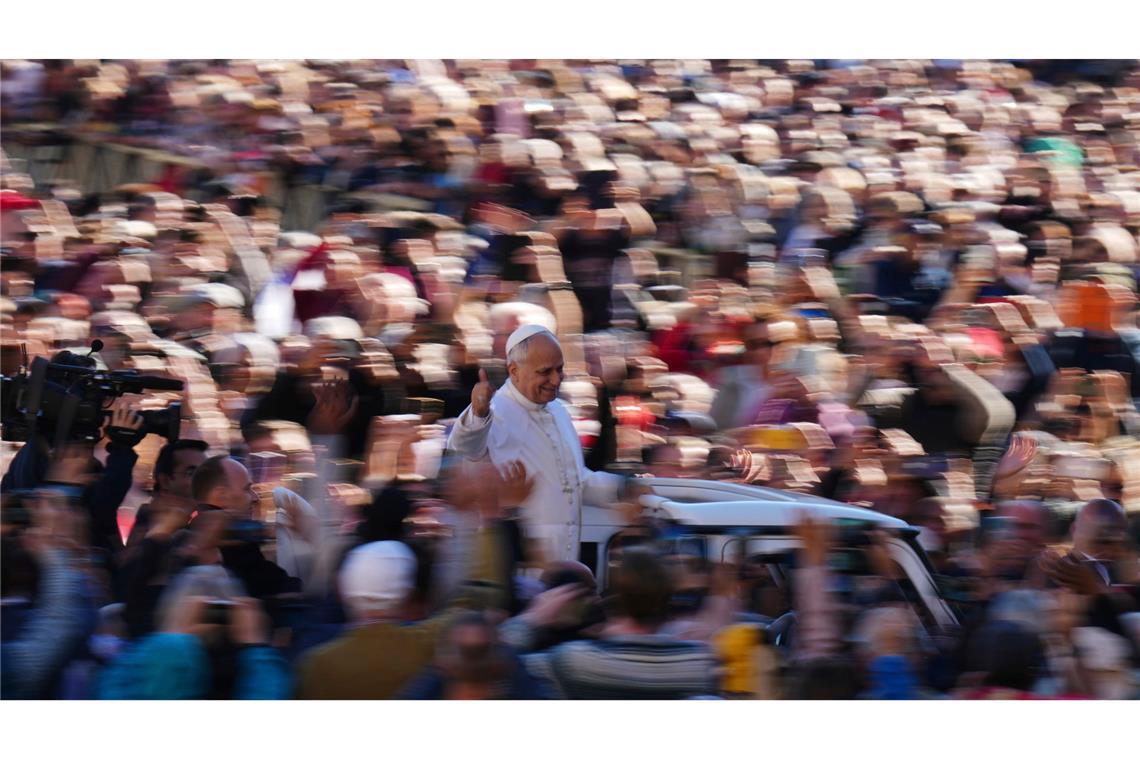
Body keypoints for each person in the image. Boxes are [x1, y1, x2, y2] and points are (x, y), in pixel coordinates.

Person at [447, 324, 628, 564]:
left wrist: (624, 487)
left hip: (564, 558)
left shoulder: (558, 409)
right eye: (545, 372)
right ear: (514, 370)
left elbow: (575, 480)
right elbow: (464, 448)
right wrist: (479, 412)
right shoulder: (495, 411)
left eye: (559, 369)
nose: (556, 379)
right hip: (521, 563)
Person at [516, 547, 721, 699]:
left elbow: (500, 663)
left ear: (613, 598)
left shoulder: (574, 661)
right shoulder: (699, 664)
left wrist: (531, 618)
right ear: (669, 599)